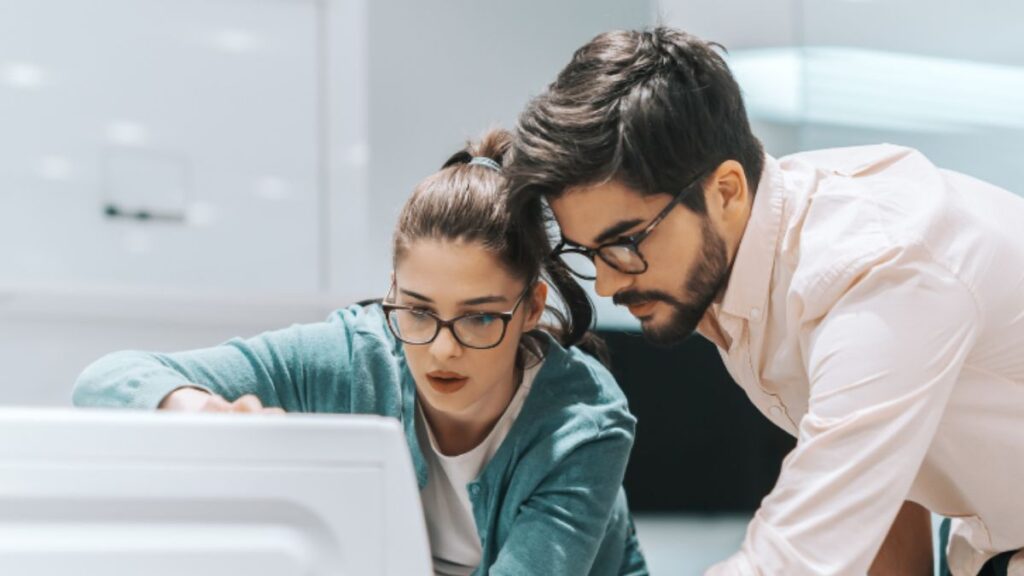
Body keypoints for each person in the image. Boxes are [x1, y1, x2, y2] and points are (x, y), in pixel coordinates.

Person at [505, 26, 1024, 576]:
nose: (606, 285)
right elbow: (880, 504)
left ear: (725, 191)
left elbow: (799, 556)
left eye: (626, 242)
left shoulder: (874, 271)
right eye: (589, 252)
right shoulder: (755, 264)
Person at [73, 129, 649, 576]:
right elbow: (105, 382)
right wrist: (206, 414)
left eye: (478, 317)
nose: (442, 350)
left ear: (529, 307)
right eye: (419, 310)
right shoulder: (358, 355)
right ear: (392, 292)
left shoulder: (585, 425)